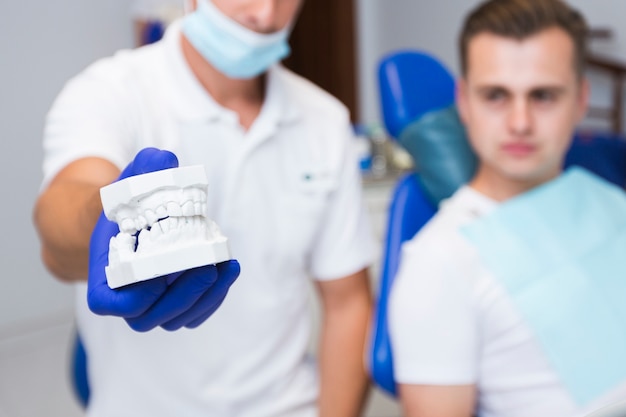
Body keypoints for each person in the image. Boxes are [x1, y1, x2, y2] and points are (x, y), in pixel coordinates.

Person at [33, 1, 375, 416]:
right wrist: (108, 216)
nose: (265, 14)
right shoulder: (108, 91)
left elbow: (348, 302)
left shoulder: (324, 120)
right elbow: (63, 213)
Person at [388, 0, 626, 416]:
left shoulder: (605, 201)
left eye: (543, 96)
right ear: (464, 101)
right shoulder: (441, 264)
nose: (520, 122)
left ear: (581, 99)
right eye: (496, 95)